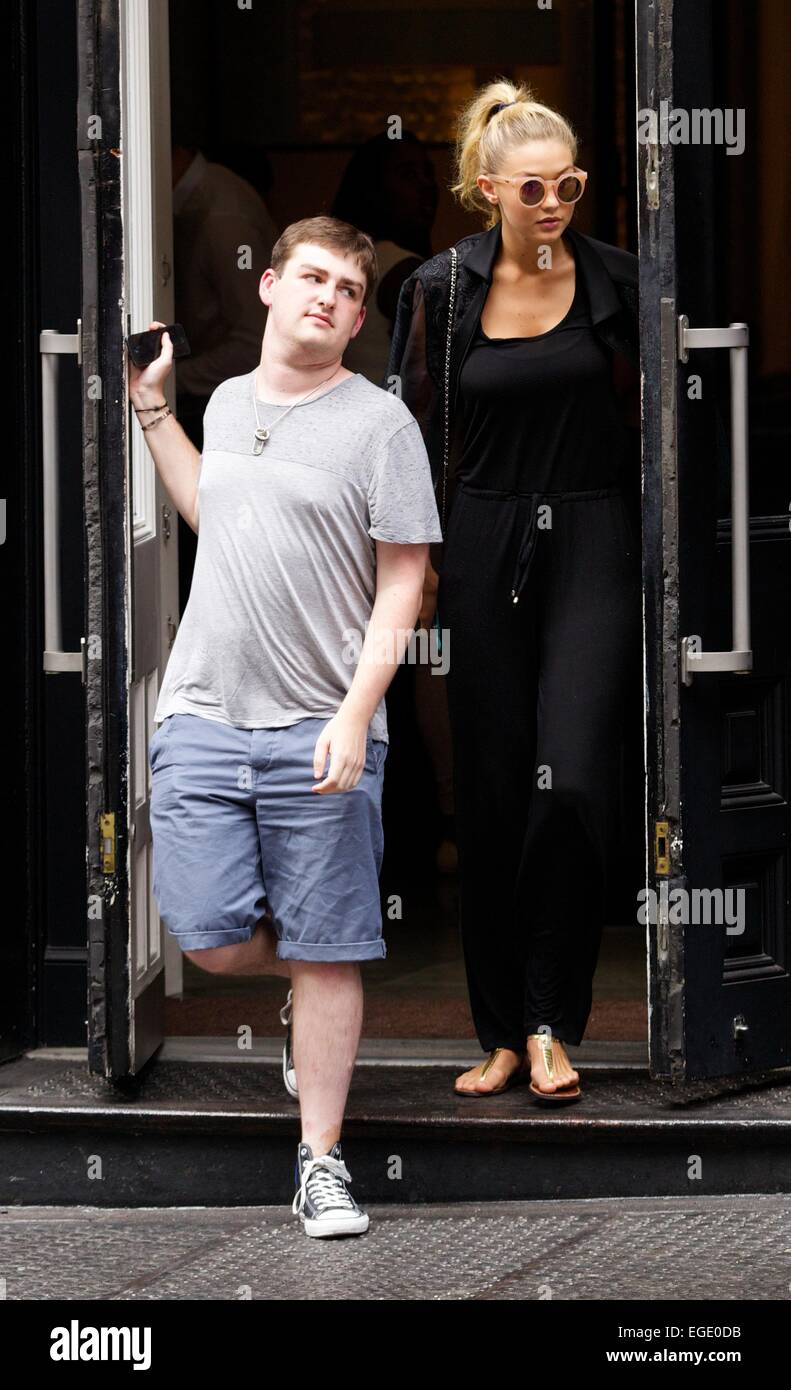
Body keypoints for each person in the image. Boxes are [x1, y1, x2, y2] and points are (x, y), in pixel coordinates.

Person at [129, 215, 442, 1235]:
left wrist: (357, 714)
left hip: (322, 724)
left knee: (329, 950)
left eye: (349, 292)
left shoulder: (378, 425)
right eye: (311, 278)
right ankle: (313, 982)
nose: (329, 299)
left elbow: (407, 581)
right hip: (205, 713)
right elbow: (213, 512)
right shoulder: (222, 402)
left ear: (359, 319)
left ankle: (319, 1158)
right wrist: (151, 414)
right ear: (267, 287)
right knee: (207, 934)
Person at [386, 79, 642, 1104]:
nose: (552, 206)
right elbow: (410, 432)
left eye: (568, 187)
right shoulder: (441, 291)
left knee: (571, 778)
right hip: (482, 535)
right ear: (486, 189)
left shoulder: (617, 282)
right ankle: (502, 1029)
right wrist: (417, 562)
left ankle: (551, 1018)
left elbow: (657, 424)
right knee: (490, 791)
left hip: (591, 531)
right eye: (531, 189)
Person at [332, 132, 458, 873]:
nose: (423, 187)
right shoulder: (399, 270)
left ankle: (423, 825)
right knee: (425, 646)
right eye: (405, 175)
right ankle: (440, 820)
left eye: (428, 175)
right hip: (393, 491)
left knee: (414, 648)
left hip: (401, 487)